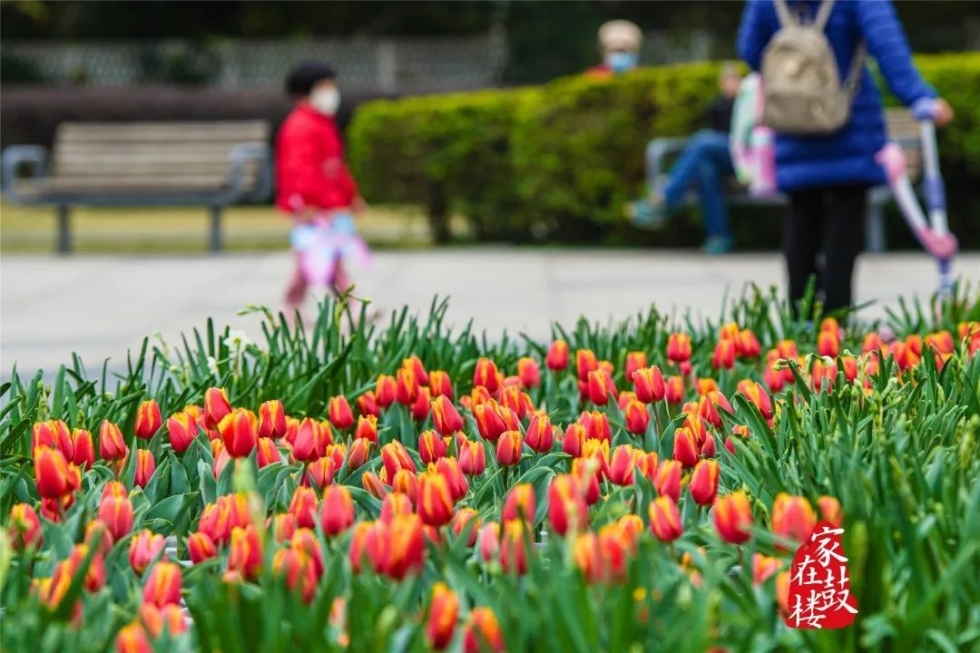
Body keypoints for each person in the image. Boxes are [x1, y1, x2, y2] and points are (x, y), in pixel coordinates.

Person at [737, 0, 954, 320]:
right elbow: (887, 45)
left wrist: (795, 74)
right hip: (849, 120)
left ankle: (800, 323)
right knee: (845, 223)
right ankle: (837, 324)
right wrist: (919, 96)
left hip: (793, 121)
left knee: (801, 217)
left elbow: (750, 49)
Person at [276, 61, 371, 322]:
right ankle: (349, 306)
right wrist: (306, 201)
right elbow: (299, 167)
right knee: (322, 259)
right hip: (314, 208)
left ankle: (294, 307)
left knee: (320, 260)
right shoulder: (301, 126)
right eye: (326, 87)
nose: (332, 92)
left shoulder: (322, 124)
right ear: (305, 91)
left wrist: (351, 197)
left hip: (330, 205)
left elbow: (335, 167)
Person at [626, 64, 743, 254]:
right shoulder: (717, 105)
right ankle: (720, 237)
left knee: (703, 141)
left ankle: (664, 195)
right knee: (705, 169)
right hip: (724, 160)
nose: (730, 84)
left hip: (745, 159)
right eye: (726, 80)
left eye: (734, 79)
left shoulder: (749, 102)